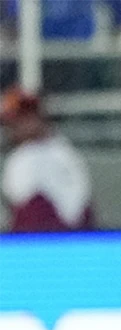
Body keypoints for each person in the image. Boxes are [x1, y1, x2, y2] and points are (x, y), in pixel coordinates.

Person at [1, 88, 96, 233]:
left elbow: (80, 211)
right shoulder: (21, 156)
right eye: (12, 122)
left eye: (24, 118)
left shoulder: (64, 153)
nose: (15, 127)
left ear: (38, 116)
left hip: (55, 242)